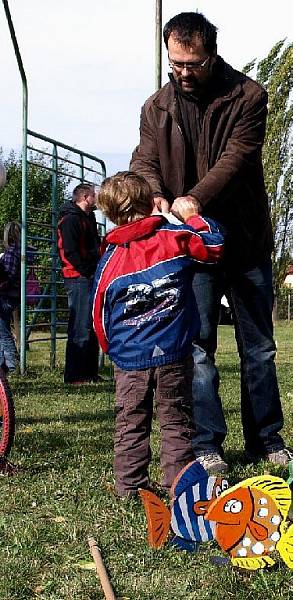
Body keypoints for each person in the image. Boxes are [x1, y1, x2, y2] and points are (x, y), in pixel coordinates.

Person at [130, 12, 289, 472]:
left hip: (245, 243)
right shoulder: (154, 108)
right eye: (175, 63)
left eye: (192, 64)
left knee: (258, 348)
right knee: (197, 347)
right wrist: (155, 193)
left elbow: (236, 160)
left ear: (211, 55)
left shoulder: (249, 96)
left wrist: (193, 199)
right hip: (190, 250)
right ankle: (206, 444)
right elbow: (144, 160)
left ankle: (266, 439)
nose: (183, 72)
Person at [93, 171, 224, 498]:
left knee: (130, 423)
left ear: (108, 214)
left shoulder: (110, 259)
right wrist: (194, 217)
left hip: (129, 358)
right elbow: (213, 246)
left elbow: (99, 312)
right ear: (150, 202)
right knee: (176, 421)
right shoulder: (174, 237)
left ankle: (130, 486)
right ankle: (179, 487)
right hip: (173, 353)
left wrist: (112, 349)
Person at [58, 183, 101, 384]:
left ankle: (89, 372)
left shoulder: (88, 218)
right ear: (85, 197)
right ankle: (75, 375)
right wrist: (86, 271)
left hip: (87, 276)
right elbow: (69, 252)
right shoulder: (70, 220)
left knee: (91, 326)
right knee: (80, 326)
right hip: (77, 278)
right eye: (94, 195)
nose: (97, 198)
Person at [0, 222, 24, 374]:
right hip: (13, 296)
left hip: (6, 296)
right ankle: (4, 364)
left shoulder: (10, 252)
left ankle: (12, 366)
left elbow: (7, 277)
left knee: (3, 332)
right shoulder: (19, 251)